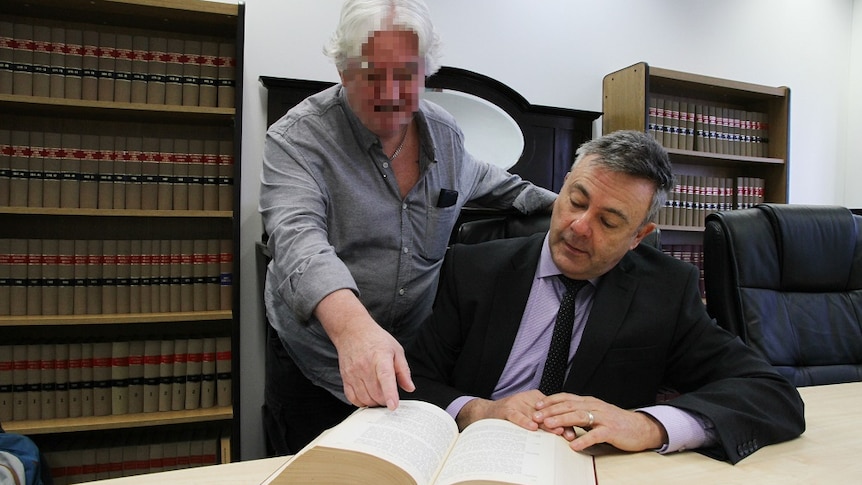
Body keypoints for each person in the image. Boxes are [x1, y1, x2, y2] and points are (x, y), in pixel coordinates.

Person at [259, 0, 556, 455]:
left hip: (413, 362)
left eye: (407, 73)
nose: (392, 91)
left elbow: (500, 185)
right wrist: (354, 330)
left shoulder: (446, 135)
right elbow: (299, 244)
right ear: (342, 70)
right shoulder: (295, 140)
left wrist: (578, 213)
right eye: (372, 73)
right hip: (318, 362)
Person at [405, 130, 805, 464]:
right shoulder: (473, 269)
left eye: (609, 221)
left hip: (592, 468)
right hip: (477, 460)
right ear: (561, 189)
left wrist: (650, 426)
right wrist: (481, 411)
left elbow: (770, 393)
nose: (579, 227)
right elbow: (416, 379)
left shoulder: (665, 289)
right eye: (576, 202)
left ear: (638, 238)